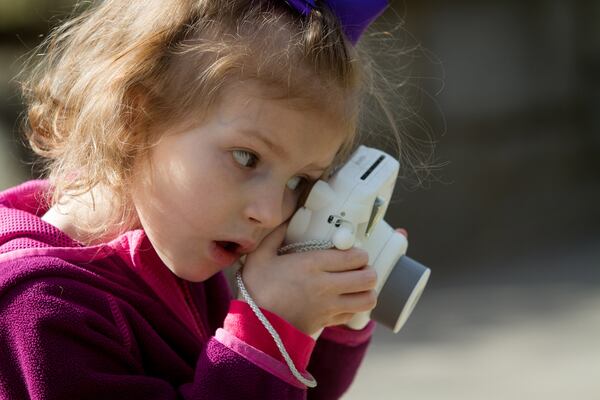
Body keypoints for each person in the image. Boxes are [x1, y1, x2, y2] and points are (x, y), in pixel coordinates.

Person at [0, 0, 410, 398]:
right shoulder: (43, 309)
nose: (269, 213)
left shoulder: (175, 250)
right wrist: (270, 332)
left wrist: (323, 316)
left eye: (299, 181)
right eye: (247, 158)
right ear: (134, 118)